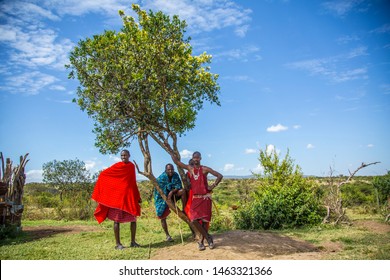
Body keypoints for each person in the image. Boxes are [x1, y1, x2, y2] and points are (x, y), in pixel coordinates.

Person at [171, 151, 223, 250]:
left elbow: (219, 176)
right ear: (192, 158)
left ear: (200, 158)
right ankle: (208, 237)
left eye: (197, 157)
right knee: (193, 219)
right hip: (196, 198)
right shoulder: (190, 169)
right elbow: (177, 162)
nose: (196, 159)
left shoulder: (205, 169)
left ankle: (201, 242)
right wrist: (170, 150)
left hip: (205, 198)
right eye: (194, 158)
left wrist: (212, 186)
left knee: (204, 222)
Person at [91, 149, 142, 250]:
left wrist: (137, 196)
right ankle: (118, 244)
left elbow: (132, 182)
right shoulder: (117, 166)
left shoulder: (131, 166)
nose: (123, 157)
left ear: (129, 155)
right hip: (117, 199)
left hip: (128, 197)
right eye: (122, 155)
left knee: (133, 219)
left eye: (125, 155)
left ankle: (133, 241)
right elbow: (104, 174)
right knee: (116, 220)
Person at [154, 163, 187, 242]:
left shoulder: (175, 175)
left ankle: (184, 209)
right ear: (165, 170)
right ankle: (167, 235)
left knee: (183, 191)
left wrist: (172, 191)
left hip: (173, 195)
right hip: (162, 198)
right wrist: (167, 194)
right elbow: (159, 191)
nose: (171, 171)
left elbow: (179, 185)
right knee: (162, 216)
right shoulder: (161, 178)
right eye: (169, 169)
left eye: (172, 169)